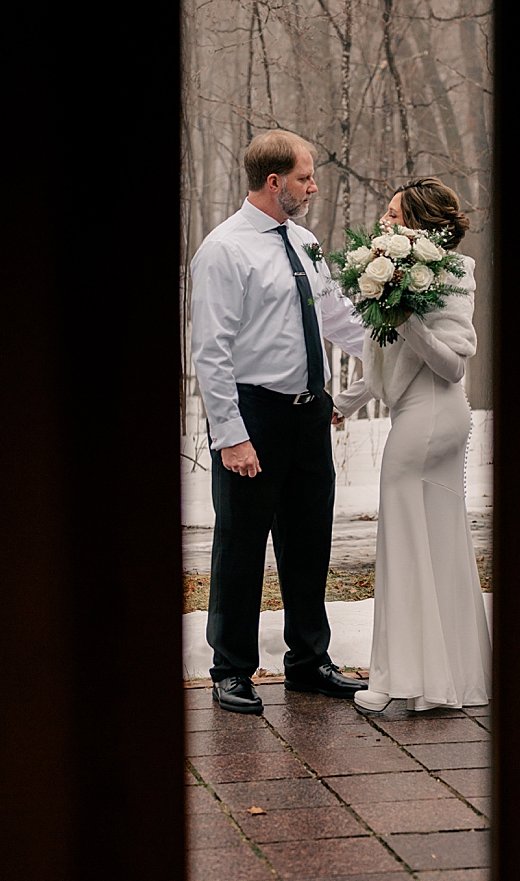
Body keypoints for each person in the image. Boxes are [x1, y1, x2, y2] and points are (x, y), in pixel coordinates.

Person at [189, 131, 369, 715]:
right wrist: (232, 436)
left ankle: (308, 662)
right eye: (305, 178)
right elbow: (211, 352)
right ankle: (232, 669)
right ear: (274, 182)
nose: (313, 186)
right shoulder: (225, 250)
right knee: (241, 546)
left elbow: (340, 319)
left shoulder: (307, 243)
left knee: (310, 541)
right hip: (255, 416)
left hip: (308, 414)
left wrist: (400, 348)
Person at [332, 179, 488, 714]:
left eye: (395, 215)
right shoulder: (396, 277)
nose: (384, 221)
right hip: (420, 413)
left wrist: (409, 318)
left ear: (419, 226)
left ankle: (398, 679)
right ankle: (450, 678)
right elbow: (383, 356)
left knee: (402, 542)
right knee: (439, 542)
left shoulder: (450, 276)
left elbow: (452, 364)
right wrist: (345, 404)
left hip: (432, 417)